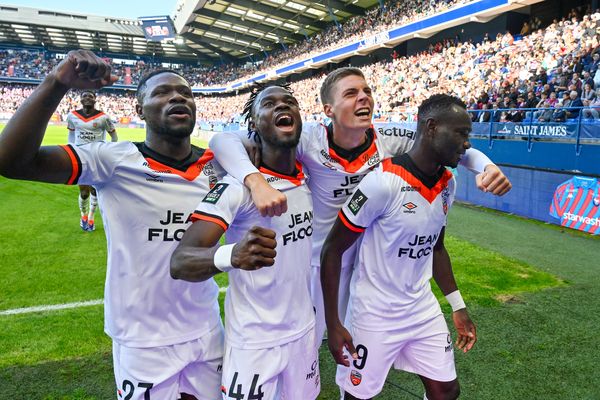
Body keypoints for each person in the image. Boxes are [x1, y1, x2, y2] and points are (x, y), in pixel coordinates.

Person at [209, 67, 512, 346]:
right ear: (328, 110)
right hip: (318, 262)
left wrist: (484, 167)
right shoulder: (309, 138)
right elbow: (221, 140)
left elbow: (446, 142)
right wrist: (254, 180)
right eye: (351, 93)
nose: (363, 97)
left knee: (356, 348)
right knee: (306, 343)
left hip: (368, 269)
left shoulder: (389, 138)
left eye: (366, 91)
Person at [0, 50, 224, 400]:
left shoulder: (216, 167)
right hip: (142, 338)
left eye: (185, 92)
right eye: (162, 93)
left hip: (207, 328)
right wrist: (56, 83)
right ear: (139, 111)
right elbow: (11, 161)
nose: (178, 96)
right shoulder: (111, 160)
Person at [320, 94, 477, 400]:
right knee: (358, 395)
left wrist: (458, 306)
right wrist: (334, 323)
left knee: (446, 390)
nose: (467, 144)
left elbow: (437, 248)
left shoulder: (448, 183)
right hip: (374, 313)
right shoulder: (382, 182)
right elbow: (332, 250)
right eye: (461, 133)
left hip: (421, 308)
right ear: (431, 127)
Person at [170, 84, 320, 399]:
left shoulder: (310, 176)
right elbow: (181, 261)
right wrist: (232, 255)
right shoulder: (235, 187)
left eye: (289, 101)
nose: (282, 106)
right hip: (253, 341)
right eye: (269, 103)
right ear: (252, 124)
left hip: (304, 333)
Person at [66, 90, 118, 231]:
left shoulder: (103, 117)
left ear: (95, 100)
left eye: (91, 96)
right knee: (84, 193)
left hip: (97, 159)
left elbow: (114, 137)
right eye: (84, 96)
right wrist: (72, 149)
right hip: (81, 157)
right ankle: (83, 216)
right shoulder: (72, 116)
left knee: (95, 191)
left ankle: (91, 217)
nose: (88, 98)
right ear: (81, 100)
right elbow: (71, 135)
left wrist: (108, 151)